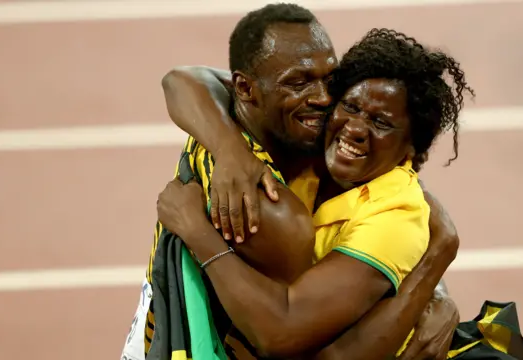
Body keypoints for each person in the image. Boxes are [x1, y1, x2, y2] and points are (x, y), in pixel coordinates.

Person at [120, 4, 460, 360]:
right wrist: (230, 151)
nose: (324, 98)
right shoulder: (280, 138)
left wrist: (433, 270)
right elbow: (180, 80)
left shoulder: (288, 201)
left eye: (330, 80)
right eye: (351, 106)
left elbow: (290, 336)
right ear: (246, 89)